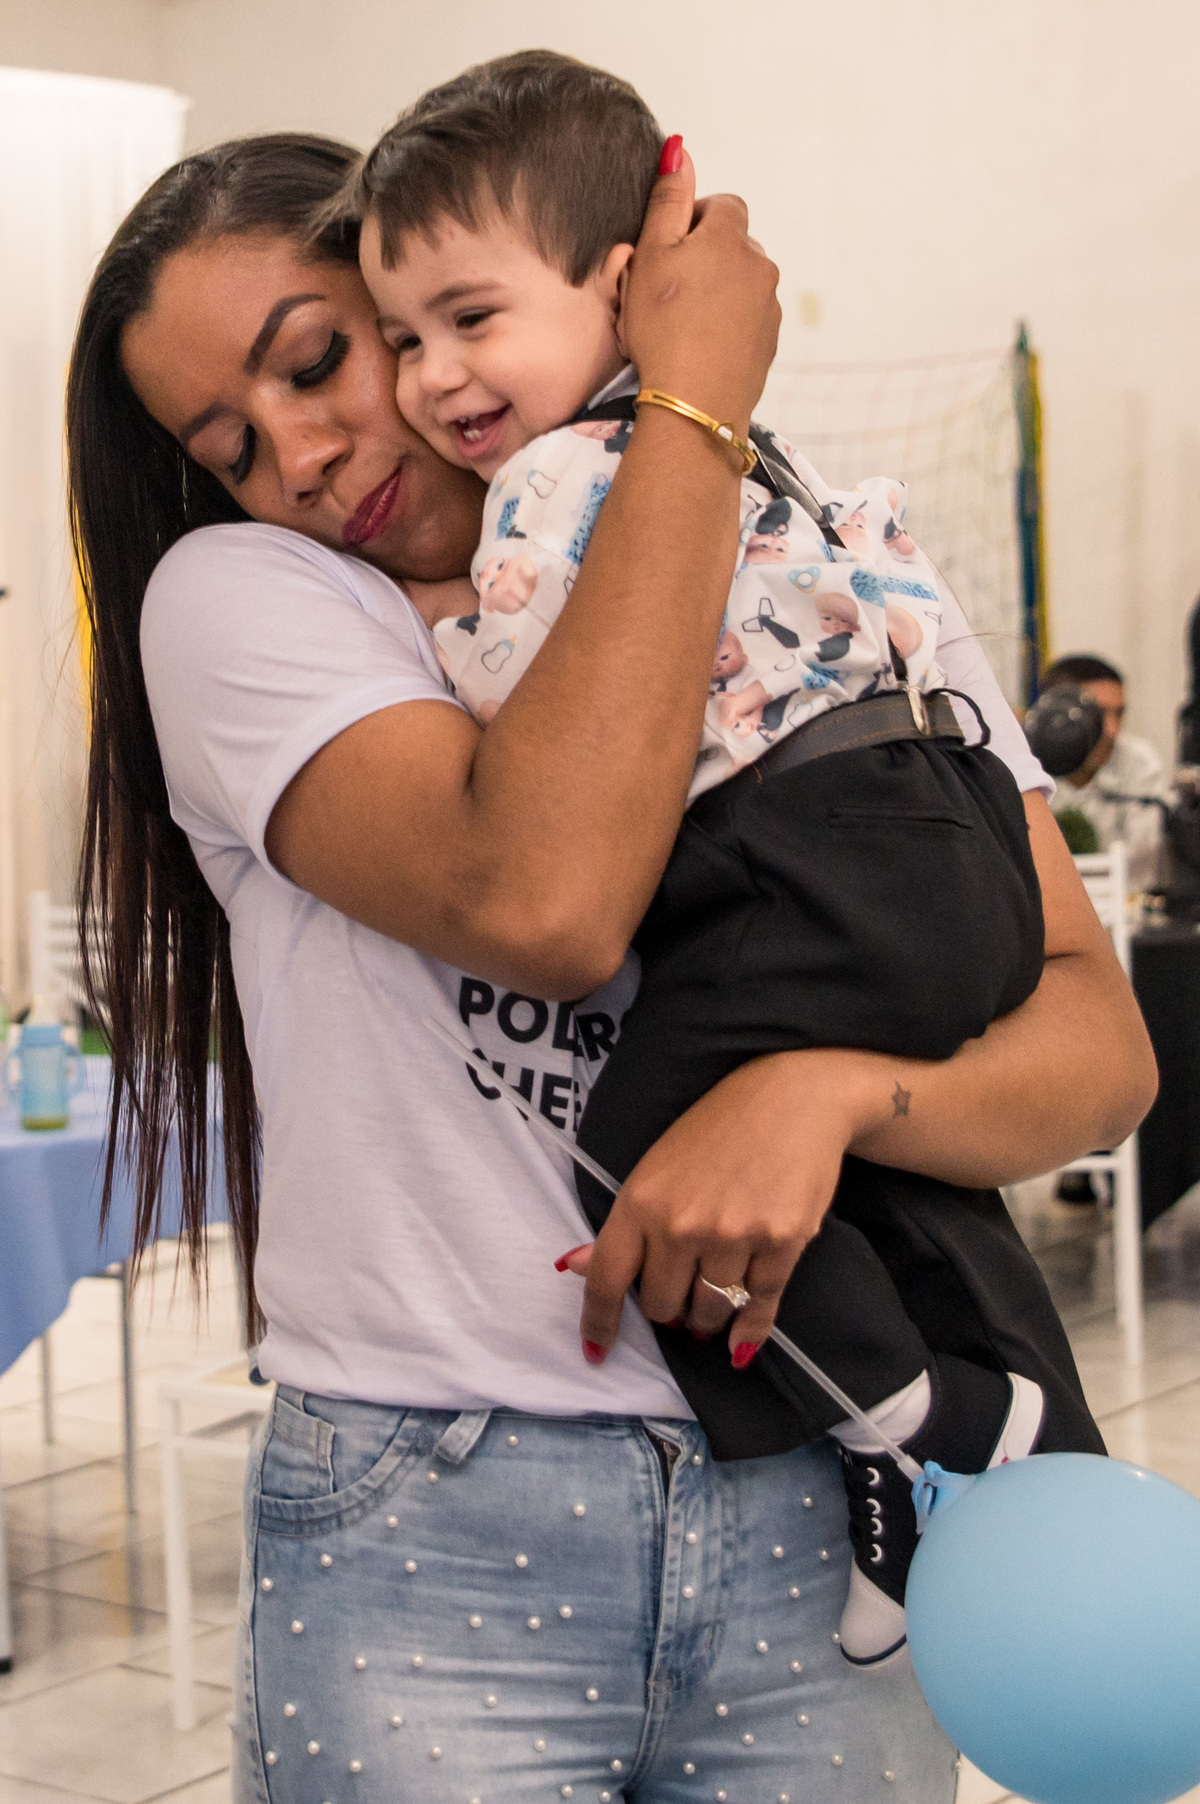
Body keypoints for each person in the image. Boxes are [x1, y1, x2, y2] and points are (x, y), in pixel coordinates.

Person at [67, 132, 1154, 1804]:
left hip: (825, 1505)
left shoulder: (819, 569)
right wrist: (697, 398)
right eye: (229, 441)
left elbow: (1098, 1047)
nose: (295, 450)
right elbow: (551, 897)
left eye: (318, 358)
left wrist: (828, 1092)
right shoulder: (246, 602)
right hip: (436, 1523)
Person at [350, 50, 1059, 1664]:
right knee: (863, 1176)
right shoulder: (767, 454)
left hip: (801, 857)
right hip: (946, 832)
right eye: (403, 338)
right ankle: (1005, 1417)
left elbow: (535, 754)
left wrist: (428, 636)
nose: (431, 377)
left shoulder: (554, 485)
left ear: (628, 289)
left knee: (632, 1160)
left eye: (472, 318)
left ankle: (922, 1423)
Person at [1043, 653, 1167, 890]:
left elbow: (1141, 871)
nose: (1111, 729)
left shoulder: (1139, 762)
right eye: (1098, 714)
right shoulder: (1023, 767)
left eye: (1118, 714)